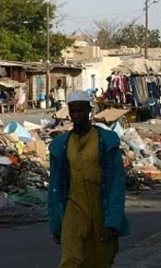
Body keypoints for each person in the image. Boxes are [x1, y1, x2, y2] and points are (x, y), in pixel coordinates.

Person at [48, 90, 130, 267]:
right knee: (71, 259)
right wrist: (55, 223)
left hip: (101, 206)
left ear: (89, 111)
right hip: (73, 205)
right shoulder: (60, 145)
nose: (77, 115)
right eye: (73, 111)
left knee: (100, 259)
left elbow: (116, 183)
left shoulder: (106, 141)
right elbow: (55, 185)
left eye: (81, 111)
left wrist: (112, 221)